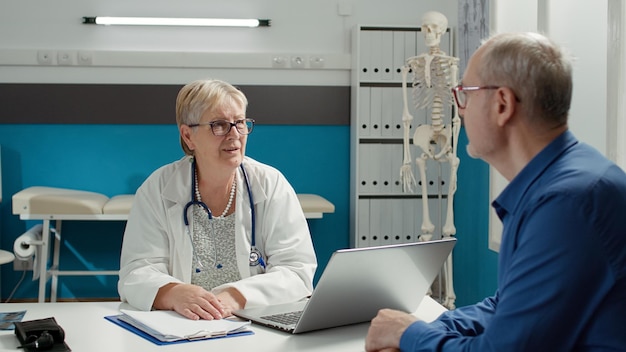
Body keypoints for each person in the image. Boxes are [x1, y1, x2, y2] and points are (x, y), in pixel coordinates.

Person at [365, 32, 626, 351]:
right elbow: (511, 305)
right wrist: (430, 326)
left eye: (465, 94)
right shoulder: (568, 179)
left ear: (502, 104)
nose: (460, 110)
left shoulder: (566, 203)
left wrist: (410, 335)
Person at [118, 79, 317, 321]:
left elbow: (296, 270)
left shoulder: (270, 184)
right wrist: (174, 293)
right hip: (182, 325)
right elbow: (136, 272)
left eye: (240, 123)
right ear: (188, 135)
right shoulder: (158, 189)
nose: (234, 134)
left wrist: (235, 296)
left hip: (253, 323)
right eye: (219, 125)